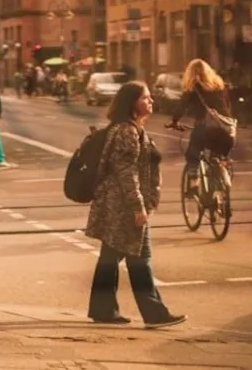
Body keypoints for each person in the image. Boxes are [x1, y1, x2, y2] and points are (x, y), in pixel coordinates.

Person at [85, 81, 186, 329]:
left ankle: (103, 310)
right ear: (132, 103)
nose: (151, 101)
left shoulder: (130, 128)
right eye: (145, 98)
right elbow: (125, 171)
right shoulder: (127, 131)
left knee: (112, 256)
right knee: (140, 258)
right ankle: (154, 313)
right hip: (124, 206)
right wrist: (138, 206)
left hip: (118, 204)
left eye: (150, 97)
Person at [169, 59, 236, 182]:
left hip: (206, 129)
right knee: (217, 157)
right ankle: (220, 182)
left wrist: (174, 121)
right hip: (228, 130)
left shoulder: (193, 88)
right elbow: (227, 106)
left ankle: (194, 177)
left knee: (193, 151)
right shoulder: (220, 85)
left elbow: (181, 107)